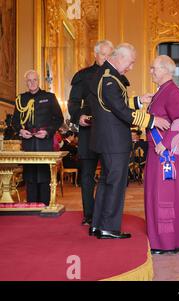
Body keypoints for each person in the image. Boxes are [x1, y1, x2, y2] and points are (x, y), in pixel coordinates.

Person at [87, 43, 170, 239]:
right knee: (115, 184)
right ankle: (109, 228)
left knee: (106, 182)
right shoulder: (109, 79)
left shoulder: (106, 75)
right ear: (120, 58)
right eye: (131, 63)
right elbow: (121, 111)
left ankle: (97, 225)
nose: (131, 67)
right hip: (114, 142)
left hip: (106, 141)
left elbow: (113, 104)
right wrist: (151, 120)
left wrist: (139, 101)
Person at [145, 55, 179, 254]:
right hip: (157, 151)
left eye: (153, 68)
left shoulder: (172, 92)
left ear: (164, 70)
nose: (151, 71)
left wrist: (165, 144)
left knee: (163, 197)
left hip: (165, 155)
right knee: (158, 196)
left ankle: (165, 243)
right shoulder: (161, 92)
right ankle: (169, 240)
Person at [68, 40, 114, 226]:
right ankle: (88, 215)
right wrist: (78, 116)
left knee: (109, 174)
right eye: (103, 54)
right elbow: (73, 102)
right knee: (87, 175)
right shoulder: (83, 76)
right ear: (95, 54)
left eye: (110, 54)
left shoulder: (116, 76)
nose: (106, 58)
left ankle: (105, 213)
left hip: (109, 132)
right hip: (88, 131)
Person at [11, 70, 64, 205]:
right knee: (30, 175)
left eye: (34, 80)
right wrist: (21, 131)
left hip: (44, 142)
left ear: (39, 81)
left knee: (44, 174)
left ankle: (45, 206)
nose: (32, 83)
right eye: (29, 80)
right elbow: (15, 122)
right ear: (26, 83)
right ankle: (31, 206)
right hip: (28, 143)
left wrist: (48, 132)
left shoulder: (50, 97)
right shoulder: (20, 99)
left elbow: (59, 119)